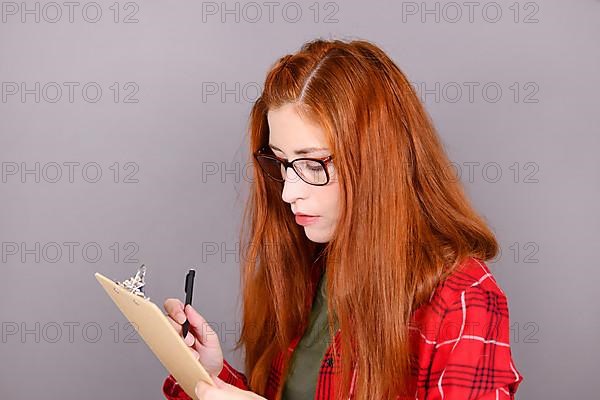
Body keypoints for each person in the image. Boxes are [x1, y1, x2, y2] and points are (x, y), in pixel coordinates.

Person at [162, 37, 524, 400]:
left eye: (312, 163)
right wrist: (209, 377)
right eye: (284, 163)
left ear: (379, 163)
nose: (289, 193)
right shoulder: (311, 267)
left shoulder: (462, 299)